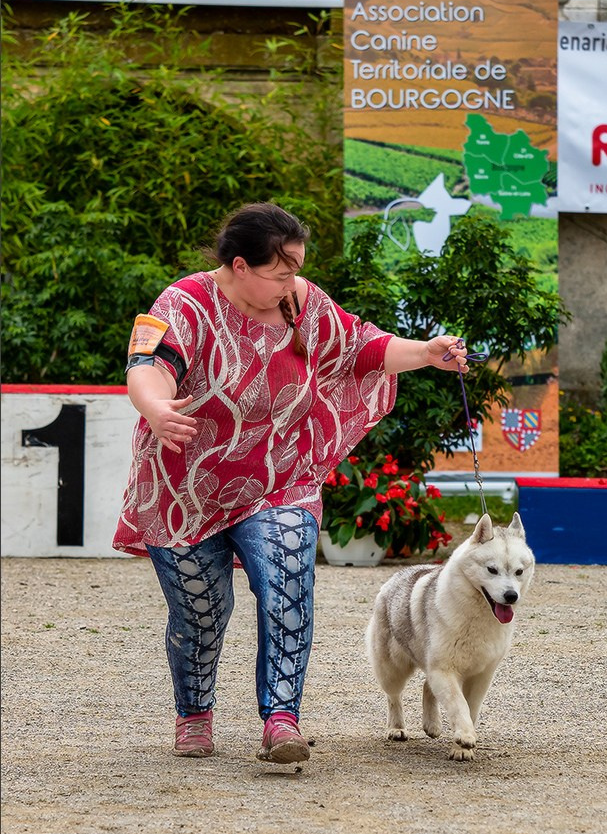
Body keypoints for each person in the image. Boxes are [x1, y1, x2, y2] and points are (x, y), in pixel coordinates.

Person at [113, 201, 469, 765]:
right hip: (185, 486)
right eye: (279, 272)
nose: (290, 283)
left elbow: (361, 346)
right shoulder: (183, 304)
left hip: (280, 477)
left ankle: (281, 719)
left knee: (288, 582)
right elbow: (146, 367)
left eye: (295, 269)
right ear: (239, 266)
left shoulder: (302, 301)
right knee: (201, 610)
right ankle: (194, 714)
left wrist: (425, 353)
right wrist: (156, 409)